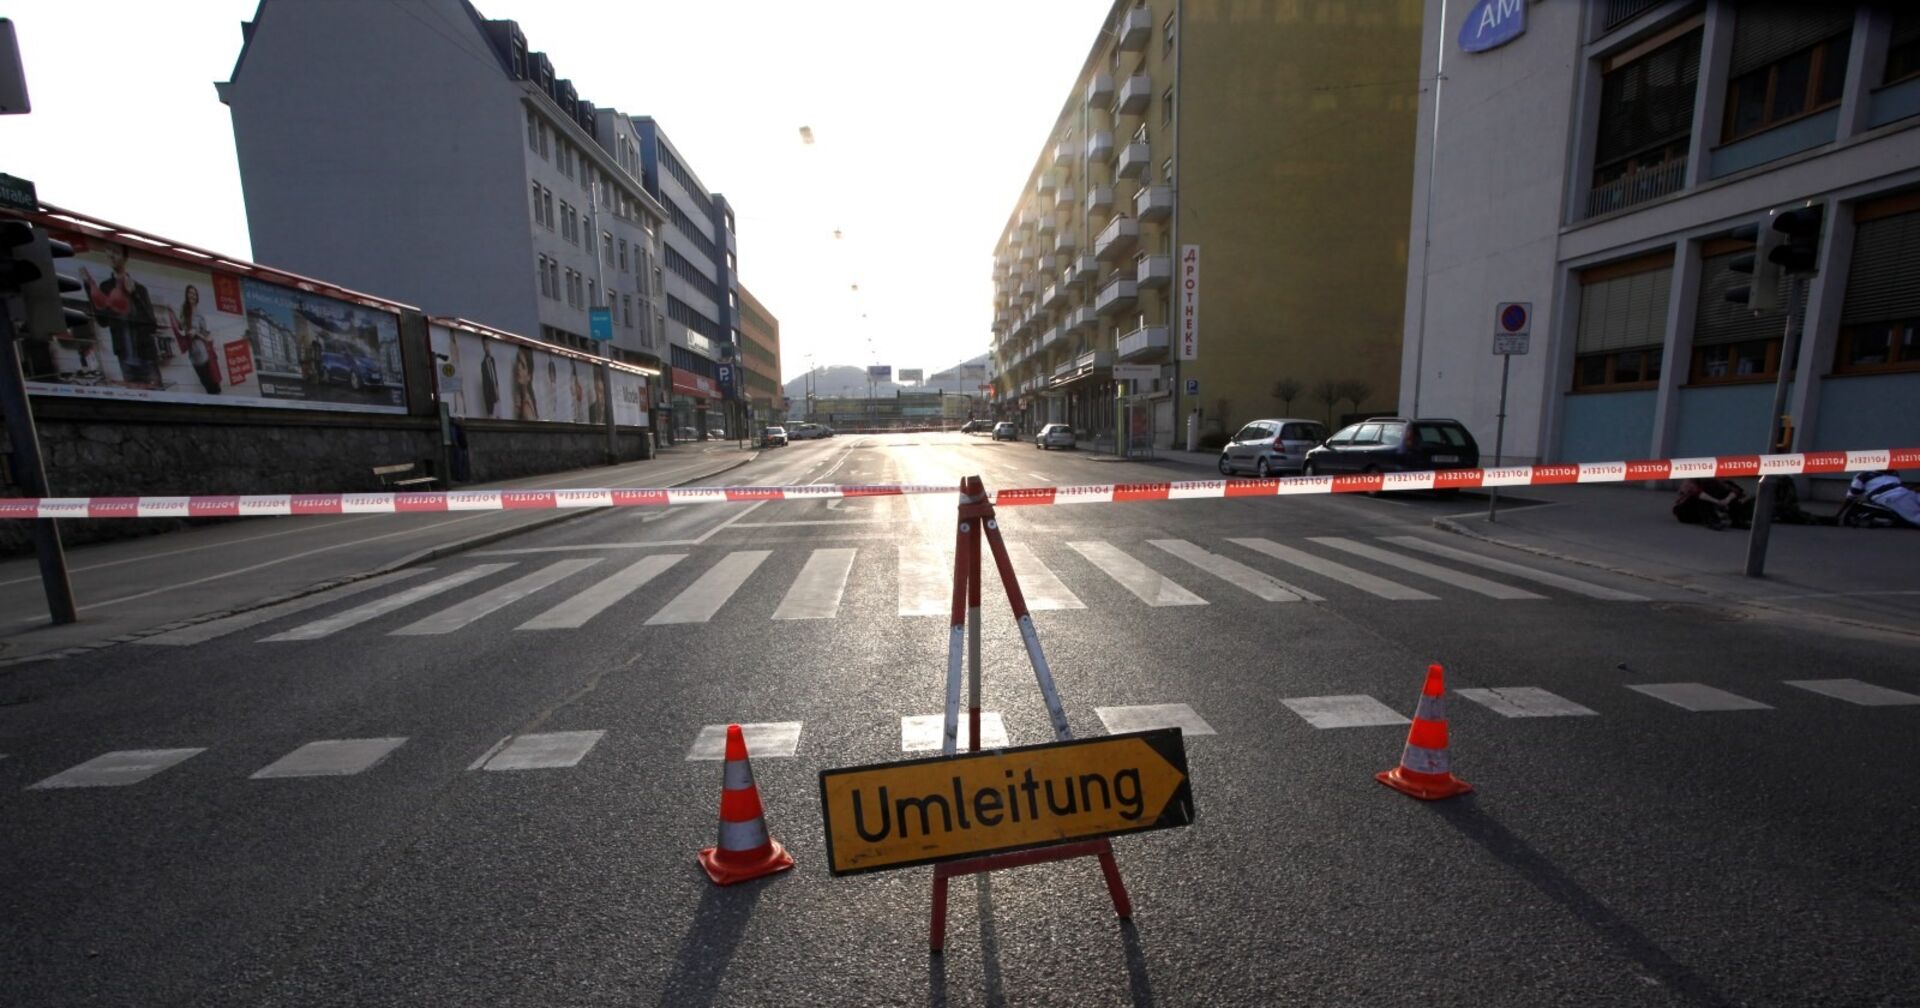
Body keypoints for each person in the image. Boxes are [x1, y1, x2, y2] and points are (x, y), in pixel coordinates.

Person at [81, 243, 161, 387]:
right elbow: (103, 321)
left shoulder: (140, 289)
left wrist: (135, 295)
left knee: (158, 398)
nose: (111, 255)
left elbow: (151, 325)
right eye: (108, 251)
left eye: (116, 252)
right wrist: (89, 287)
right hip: (125, 359)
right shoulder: (105, 287)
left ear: (125, 257)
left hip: (147, 358)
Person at [169, 285, 221, 394]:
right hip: (193, 355)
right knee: (204, 382)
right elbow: (181, 328)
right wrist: (172, 313)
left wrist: (196, 333)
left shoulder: (200, 313)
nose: (192, 295)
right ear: (186, 295)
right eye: (190, 293)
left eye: (194, 293)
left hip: (203, 353)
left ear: (197, 297)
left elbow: (207, 335)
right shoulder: (184, 310)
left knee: (212, 383)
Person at [1673, 477, 1753, 530]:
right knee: (1706, 492)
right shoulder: (1690, 481)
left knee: (1724, 490)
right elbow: (1700, 494)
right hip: (1685, 512)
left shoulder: (1714, 481)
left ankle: (1737, 520)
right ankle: (1711, 520)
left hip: (1700, 509)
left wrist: (1726, 500)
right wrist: (1718, 502)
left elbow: (1734, 491)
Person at [1848, 470, 1920, 527]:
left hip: (1906, 493)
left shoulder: (1893, 472)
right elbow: (1851, 496)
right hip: (1891, 496)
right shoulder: (1863, 475)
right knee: (1914, 514)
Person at [511, 345, 538, 420]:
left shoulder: (526, 405)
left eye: (523, 366)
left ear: (529, 376)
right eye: (518, 362)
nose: (518, 367)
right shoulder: (519, 398)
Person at [480, 340, 500, 417]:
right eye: (485, 345)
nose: (487, 347)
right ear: (483, 347)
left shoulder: (493, 360)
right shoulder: (483, 364)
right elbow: (485, 384)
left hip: (497, 393)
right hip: (490, 398)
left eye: (488, 345)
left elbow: (495, 376)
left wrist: (497, 390)